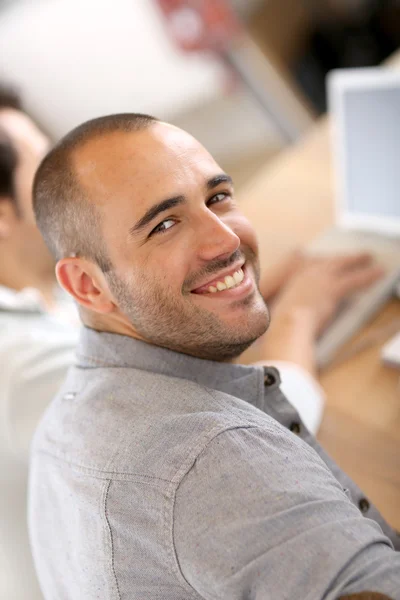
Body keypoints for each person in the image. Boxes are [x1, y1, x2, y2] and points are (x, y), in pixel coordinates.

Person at [29, 113, 399, 600]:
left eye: (217, 197)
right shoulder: (210, 458)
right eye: (164, 225)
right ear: (87, 284)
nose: (226, 240)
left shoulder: (63, 425)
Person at [0, 86, 78, 599]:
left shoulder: (44, 284)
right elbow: (199, 431)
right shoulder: (22, 363)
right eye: (44, 165)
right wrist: (299, 313)